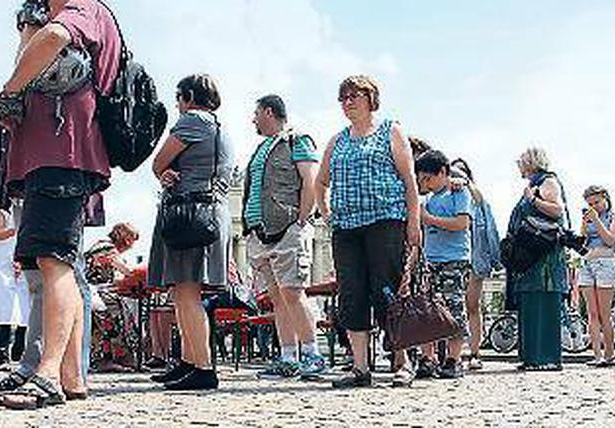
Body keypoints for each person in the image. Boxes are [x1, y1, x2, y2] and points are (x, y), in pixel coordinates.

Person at [0, 0, 120, 408]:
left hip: (61, 153)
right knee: (56, 262)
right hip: (58, 155)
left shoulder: (80, 9)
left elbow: (55, 37)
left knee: (53, 261)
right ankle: (70, 375)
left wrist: (8, 92)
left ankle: (46, 374)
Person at [316, 75, 422, 388]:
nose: (348, 102)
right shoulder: (337, 141)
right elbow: (320, 181)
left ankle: (401, 361)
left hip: (385, 222)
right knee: (352, 294)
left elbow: (409, 180)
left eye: (354, 96)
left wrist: (413, 223)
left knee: (388, 291)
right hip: (347, 228)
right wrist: (327, 214)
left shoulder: (391, 131)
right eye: (343, 98)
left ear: (370, 99)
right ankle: (360, 367)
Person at [147, 74, 232, 391]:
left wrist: (162, 171)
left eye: (178, 98)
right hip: (210, 212)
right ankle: (188, 361)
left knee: (185, 294)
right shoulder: (220, 128)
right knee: (186, 294)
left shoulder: (192, 121)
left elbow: (158, 162)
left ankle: (203, 367)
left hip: (188, 214)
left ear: (188, 97)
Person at [242, 94, 326, 381]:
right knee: (278, 297)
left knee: (293, 291)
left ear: (268, 111)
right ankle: (288, 357)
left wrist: (301, 219)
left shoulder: (297, 140)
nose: (253, 119)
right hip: (261, 232)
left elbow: (310, 179)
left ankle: (312, 354)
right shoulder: (261, 148)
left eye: (256, 113)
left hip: (286, 228)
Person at [506, 148, 569, 372]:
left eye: (521, 160)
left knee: (542, 303)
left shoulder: (548, 181)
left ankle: (546, 358)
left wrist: (533, 199)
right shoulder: (538, 181)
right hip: (532, 259)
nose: (519, 164)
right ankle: (532, 357)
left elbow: (557, 210)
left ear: (531, 162)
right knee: (531, 303)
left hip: (544, 258)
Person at [412, 150, 473, 380]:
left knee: (453, 307)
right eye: (422, 180)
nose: (424, 183)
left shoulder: (458, 192)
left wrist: (430, 220)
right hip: (431, 259)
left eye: (428, 178)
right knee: (427, 310)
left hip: (453, 259)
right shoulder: (427, 199)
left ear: (443, 173)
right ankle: (428, 357)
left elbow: (462, 223)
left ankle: (454, 358)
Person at [451, 158, 501, 371]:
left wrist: (493, 259)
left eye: (461, 172)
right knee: (449, 306)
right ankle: (451, 353)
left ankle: (474, 352)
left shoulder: (477, 197)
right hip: (451, 256)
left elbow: (490, 230)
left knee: (472, 305)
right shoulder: (444, 196)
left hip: (475, 257)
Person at [577, 185, 615, 367]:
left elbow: (610, 239)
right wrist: (584, 225)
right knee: (592, 313)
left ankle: (610, 354)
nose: (594, 206)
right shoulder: (589, 218)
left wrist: (596, 220)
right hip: (588, 262)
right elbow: (583, 241)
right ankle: (597, 355)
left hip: (605, 262)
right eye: (590, 204)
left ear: (605, 198)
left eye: (596, 202)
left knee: (605, 313)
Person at [90, 223, 141, 373]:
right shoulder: (107, 249)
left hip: (95, 291)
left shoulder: (103, 246)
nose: (131, 246)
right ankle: (111, 357)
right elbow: (126, 271)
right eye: (132, 240)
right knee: (118, 312)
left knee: (121, 307)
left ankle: (117, 356)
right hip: (95, 292)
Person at [0, 209, 29, 371]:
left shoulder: (34, 210)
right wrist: (15, 230)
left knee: (26, 309)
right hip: (3, 266)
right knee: (5, 310)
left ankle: (19, 352)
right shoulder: (4, 213)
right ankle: (2, 357)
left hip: (25, 262)